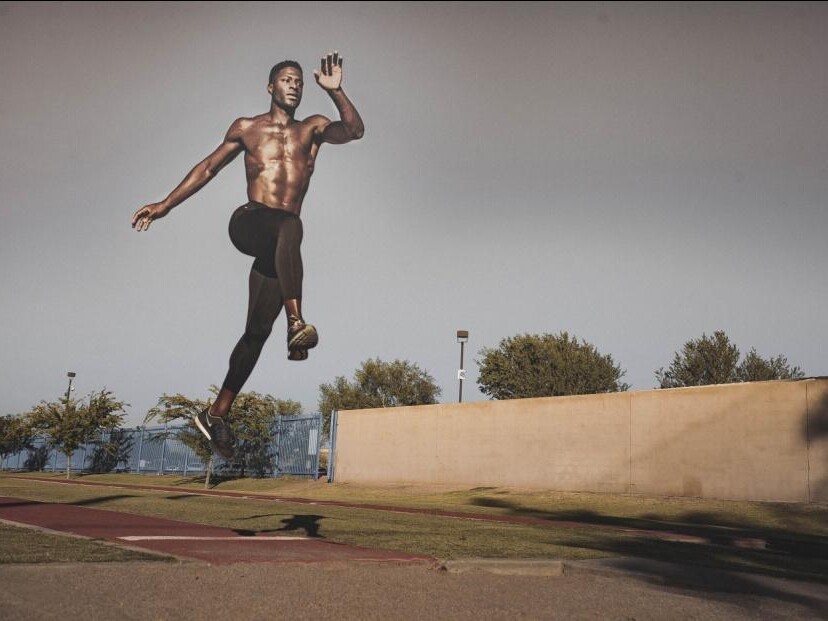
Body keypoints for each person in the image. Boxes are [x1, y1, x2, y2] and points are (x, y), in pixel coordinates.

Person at [131, 51, 364, 459]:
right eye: (287, 80)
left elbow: (354, 130)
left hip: (279, 246)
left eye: (299, 82)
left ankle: (216, 413)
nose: (294, 86)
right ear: (271, 86)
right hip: (249, 222)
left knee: (256, 331)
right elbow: (208, 168)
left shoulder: (312, 129)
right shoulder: (247, 128)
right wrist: (165, 204)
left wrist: (336, 90)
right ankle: (296, 323)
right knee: (290, 225)